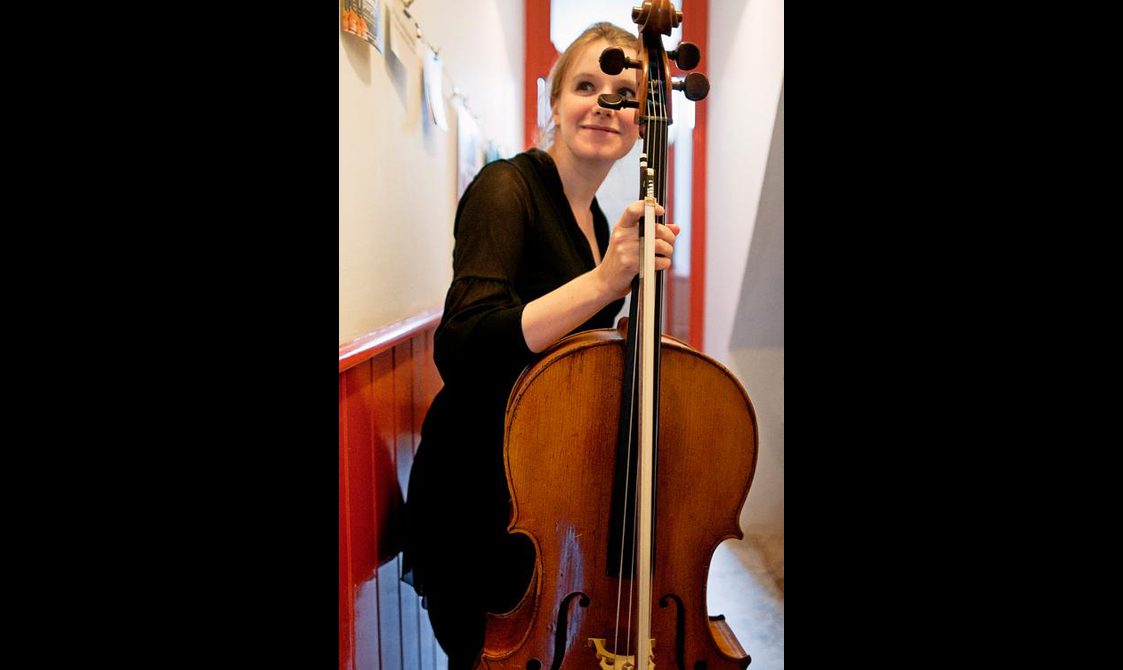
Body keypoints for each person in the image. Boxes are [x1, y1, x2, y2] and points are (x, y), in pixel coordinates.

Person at [402, 22, 679, 670]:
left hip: (547, 482)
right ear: (553, 103)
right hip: (480, 490)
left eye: (625, 94)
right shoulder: (505, 188)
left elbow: (567, 346)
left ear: (644, 121)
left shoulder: (598, 220)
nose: (605, 105)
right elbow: (464, 343)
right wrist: (607, 279)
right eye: (587, 85)